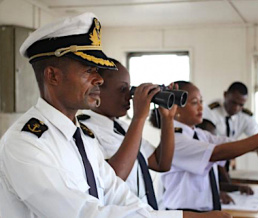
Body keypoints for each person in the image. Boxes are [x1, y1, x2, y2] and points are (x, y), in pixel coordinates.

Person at [0, 12, 230, 218]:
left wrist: (181, 217)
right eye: (89, 70)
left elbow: (117, 194)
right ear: (53, 76)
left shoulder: (83, 137)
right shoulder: (26, 143)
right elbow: (82, 213)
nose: (98, 79)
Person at [149, 81, 258, 212]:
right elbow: (218, 152)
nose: (201, 108)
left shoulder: (199, 134)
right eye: (194, 103)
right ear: (175, 108)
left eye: (201, 101)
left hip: (203, 211)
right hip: (184, 212)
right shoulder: (176, 140)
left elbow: (231, 144)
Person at [78, 58, 176, 209]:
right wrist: (139, 117)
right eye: (122, 89)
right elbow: (113, 179)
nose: (130, 96)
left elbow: (161, 163)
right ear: (98, 89)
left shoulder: (123, 128)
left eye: (130, 89)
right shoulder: (85, 130)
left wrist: (167, 119)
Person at [203, 82, 258, 170]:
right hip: (209, 161)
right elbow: (210, 147)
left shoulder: (246, 117)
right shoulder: (211, 111)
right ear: (225, 95)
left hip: (227, 159)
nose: (236, 108)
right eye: (233, 102)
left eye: (241, 105)